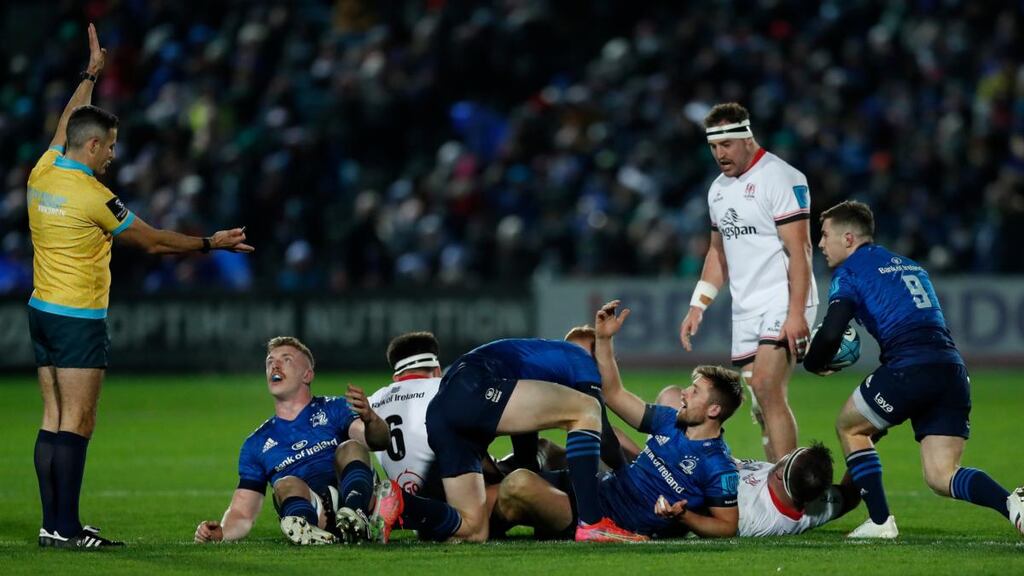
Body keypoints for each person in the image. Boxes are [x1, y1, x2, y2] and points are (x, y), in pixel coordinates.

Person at [30, 24, 253, 549]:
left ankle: (52, 525)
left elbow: (68, 123)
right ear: (91, 146)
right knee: (78, 420)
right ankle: (64, 528)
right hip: (78, 316)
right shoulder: (92, 196)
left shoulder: (43, 171)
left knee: (52, 416)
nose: (112, 155)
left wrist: (90, 74)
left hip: (41, 309)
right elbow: (152, 242)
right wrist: (209, 243)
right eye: (108, 146)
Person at [804, 200, 1024, 538]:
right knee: (942, 475)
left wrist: (813, 363)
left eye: (824, 235)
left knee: (851, 427)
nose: (820, 244)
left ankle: (880, 522)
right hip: (951, 369)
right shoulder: (910, 266)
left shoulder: (849, 272)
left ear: (848, 238)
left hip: (910, 365)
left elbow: (832, 330)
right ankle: (1013, 504)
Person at [495, 300, 743, 538]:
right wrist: (604, 339)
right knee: (495, 493)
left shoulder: (718, 465)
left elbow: (727, 526)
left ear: (713, 410)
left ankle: (558, 524)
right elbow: (614, 394)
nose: (685, 393)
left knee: (518, 485)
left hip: (613, 518)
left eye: (695, 391)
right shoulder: (670, 420)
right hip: (600, 489)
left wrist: (685, 517)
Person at [405, 327, 647, 543]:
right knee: (587, 408)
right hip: (473, 386)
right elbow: (604, 438)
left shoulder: (538, 361)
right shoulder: (581, 358)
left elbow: (525, 446)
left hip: (441, 409)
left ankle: (398, 503)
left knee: (473, 529)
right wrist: (629, 476)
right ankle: (593, 524)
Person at [679, 102, 817, 463]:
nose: (719, 154)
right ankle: (778, 484)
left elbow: (800, 249)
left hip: (782, 299)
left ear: (746, 137)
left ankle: (790, 492)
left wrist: (796, 314)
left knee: (768, 388)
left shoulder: (781, 177)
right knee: (760, 405)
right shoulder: (718, 190)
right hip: (746, 307)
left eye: (726, 145)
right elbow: (716, 253)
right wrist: (699, 304)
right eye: (713, 147)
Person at [193, 337, 389, 545]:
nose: (274, 366)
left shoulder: (334, 408)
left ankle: (357, 516)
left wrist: (371, 419)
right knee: (285, 483)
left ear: (307, 374)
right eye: (270, 362)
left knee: (351, 446)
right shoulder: (256, 443)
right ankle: (309, 531)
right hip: (317, 512)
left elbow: (377, 441)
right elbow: (242, 513)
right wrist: (221, 532)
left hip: (354, 498)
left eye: (286, 360)